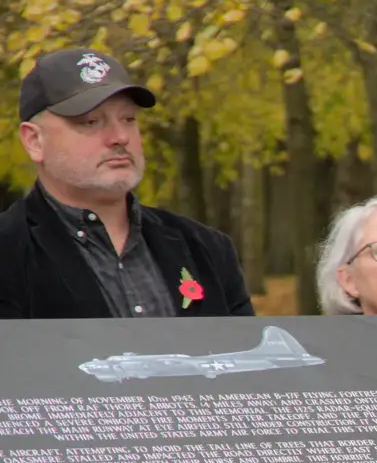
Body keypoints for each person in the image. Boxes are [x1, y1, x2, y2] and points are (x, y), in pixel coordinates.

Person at [0, 47, 252, 319]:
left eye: (128, 119)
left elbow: (247, 358)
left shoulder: (208, 250)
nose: (119, 136)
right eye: (91, 122)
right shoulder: (8, 254)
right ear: (34, 141)